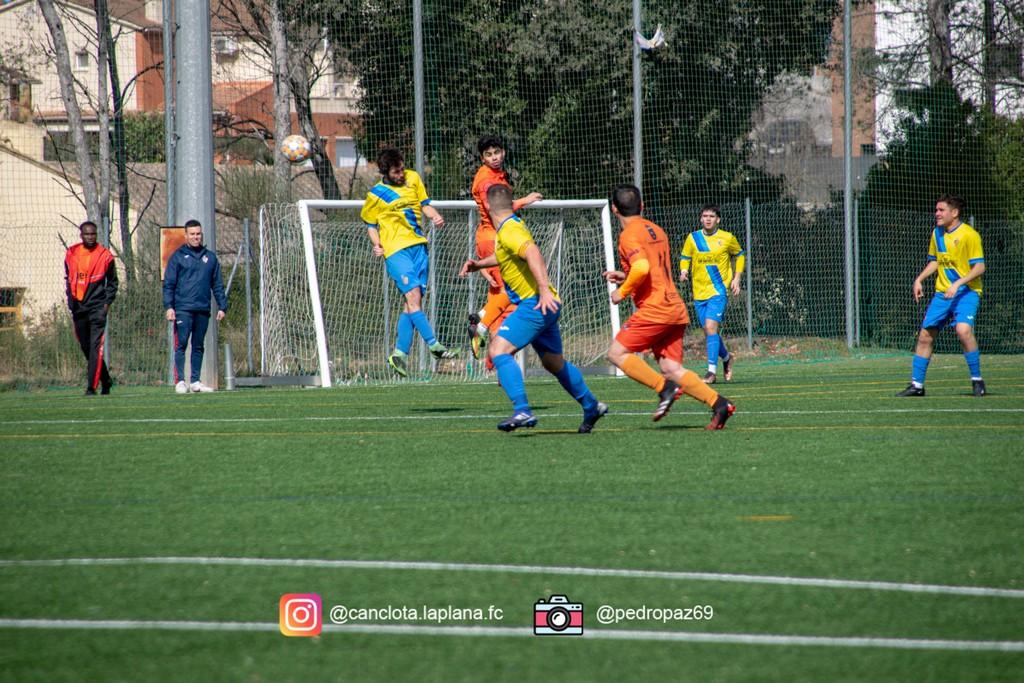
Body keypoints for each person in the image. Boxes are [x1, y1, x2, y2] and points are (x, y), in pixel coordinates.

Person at [460, 184, 607, 433]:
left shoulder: (509, 230)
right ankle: (591, 405)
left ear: (486, 205)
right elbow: (508, 255)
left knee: (498, 349)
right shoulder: (511, 226)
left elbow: (532, 251)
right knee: (553, 362)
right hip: (544, 303)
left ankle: (522, 410)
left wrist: (544, 289)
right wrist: (479, 265)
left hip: (535, 303)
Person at [604, 185, 735, 429]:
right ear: (642, 206)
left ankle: (664, 388)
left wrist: (622, 292)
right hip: (674, 307)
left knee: (616, 353)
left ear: (614, 209)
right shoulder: (657, 230)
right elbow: (652, 270)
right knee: (671, 368)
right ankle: (719, 404)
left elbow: (642, 268)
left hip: (655, 309)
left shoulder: (628, 235)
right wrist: (626, 276)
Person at [361, 147, 460, 377]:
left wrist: (434, 216)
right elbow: (371, 225)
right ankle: (435, 346)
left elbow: (424, 204)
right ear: (385, 173)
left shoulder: (413, 178)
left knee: (411, 304)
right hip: (396, 251)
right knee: (414, 298)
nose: (401, 174)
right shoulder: (376, 194)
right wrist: (377, 244)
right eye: (396, 172)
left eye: (402, 169)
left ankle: (399, 355)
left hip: (419, 247)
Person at [897, 195, 986, 397]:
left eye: (941, 210)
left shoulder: (969, 235)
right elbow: (935, 261)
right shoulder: (937, 233)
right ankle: (917, 386)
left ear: (954, 213)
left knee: (963, 331)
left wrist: (957, 284)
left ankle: (977, 380)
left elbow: (979, 267)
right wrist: (919, 279)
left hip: (967, 292)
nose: (937, 213)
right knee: (925, 336)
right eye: (936, 210)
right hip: (943, 294)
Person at [467, 135, 543, 360]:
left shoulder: (497, 174)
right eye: (489, 154)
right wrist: (525, 200)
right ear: (482, 158)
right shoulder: (485, 180)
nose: (494, 157)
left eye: (497, 152)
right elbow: (496, 208)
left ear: (503, 152)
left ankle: (483, 321)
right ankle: (481, 326)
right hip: (493, 238)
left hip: (497, 236)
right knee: (511, 291)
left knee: (506, 295)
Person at [678, 204, 745, 384]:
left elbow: (740, 255)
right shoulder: (693, 238)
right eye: (705, 216)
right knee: (709, 331)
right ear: (701, 219)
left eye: (712, 216)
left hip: (718, 290)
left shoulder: (727, 237)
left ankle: (711, 372)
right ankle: (727, 358)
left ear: (718, 220)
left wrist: (737, 278)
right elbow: (685, 257)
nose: (708, 219)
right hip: (699, 291)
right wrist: (684, 270)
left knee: (710, 327)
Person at [163, 219, 228, 394]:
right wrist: (169, 307)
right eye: (192, 234)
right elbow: (169, 284)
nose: (195, 237)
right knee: (182, 344)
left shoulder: (210, 258)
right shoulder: (177, 257)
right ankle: (180, 381)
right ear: (186, 236)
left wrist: (222, 306)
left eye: (198, 234)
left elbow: (217, 284)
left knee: (198, 345)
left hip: (202, 308)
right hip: (183, 309)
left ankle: (195, 381)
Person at [64, 220, 118, 395]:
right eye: (87, 234)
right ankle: (106, 379)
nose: (90, 237)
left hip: (97, 308)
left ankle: (91, 387)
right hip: (78, 307)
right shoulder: (72, 253)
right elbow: (68, 278)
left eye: (93, 234)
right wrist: (71, 301)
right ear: (81, 235)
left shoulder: (105, 256)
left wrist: (106, 304)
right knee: (85, 347)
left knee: (95, 347)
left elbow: (113, 283)